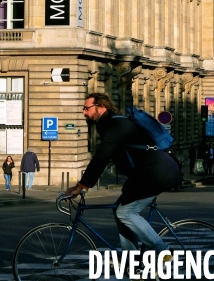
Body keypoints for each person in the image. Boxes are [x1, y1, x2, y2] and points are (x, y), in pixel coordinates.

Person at [66, 93, 181, 262]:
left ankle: (164, 252)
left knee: (126, 212)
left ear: (101, 107)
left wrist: (82, 185)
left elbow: (102, 157)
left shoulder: (116, 125)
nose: (84, 113)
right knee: (120, 209)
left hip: (156, 173)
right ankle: (131, 261)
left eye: (86, 108)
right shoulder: (109, 124)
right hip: (145, 174)